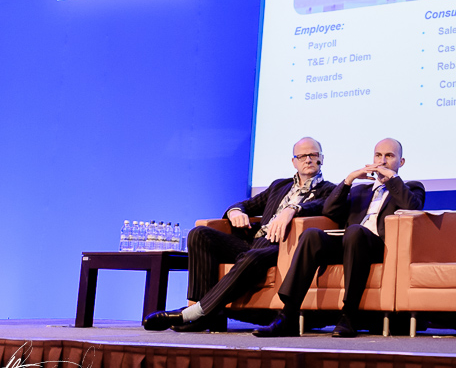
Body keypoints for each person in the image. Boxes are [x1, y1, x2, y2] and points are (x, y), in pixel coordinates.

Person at [142, 137, 334, 332]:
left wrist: (292, 209)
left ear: (322, 158)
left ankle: (194, 313)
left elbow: (322, 207)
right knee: (199, 234)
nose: (308, 159)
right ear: (294, 161)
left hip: (283, 248)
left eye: (313, 155)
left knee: (252, 256)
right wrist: (235, 212)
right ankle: (210, 315)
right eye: (302, 156)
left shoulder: (329, 190)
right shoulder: (279, 186)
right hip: (254, 242)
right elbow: (245, 205)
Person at [253, 138, 425, 339]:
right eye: (378, 155)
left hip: (380, 247)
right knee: (312, 236)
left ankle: (349, 315)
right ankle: (288, 315)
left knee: (355, 232)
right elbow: (330, 210)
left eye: (389, 156)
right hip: (349, 243)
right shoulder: (360, 190)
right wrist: (349, 180)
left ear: (401, 162)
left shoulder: (412, 188)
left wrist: (392, 179)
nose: (382, 161)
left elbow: (412, 207)